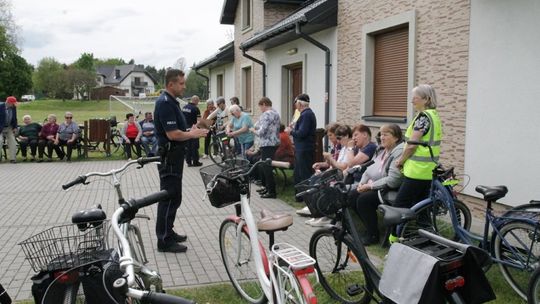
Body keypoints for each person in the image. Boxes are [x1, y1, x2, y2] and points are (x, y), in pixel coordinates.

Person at [153, 69, 208, 253]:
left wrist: (190, 129)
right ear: (171, 84)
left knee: (174, 197)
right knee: (168, 197)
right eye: (182, 83)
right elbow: (173, 134)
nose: (184, 86)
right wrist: (192, 134)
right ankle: (164, 240)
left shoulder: (172, 102)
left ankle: (169, 231)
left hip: (175, 157)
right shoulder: (165, 103)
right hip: (169, 158)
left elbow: (179, 129)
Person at [351, 124, 405, 245]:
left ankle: (373, 235)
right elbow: (369, 168)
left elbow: (393, 180)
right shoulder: (382, 150)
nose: (382, 137)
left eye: (386, 134)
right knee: (352, 195)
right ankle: (369, 228)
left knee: (364, 200)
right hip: (377, 185)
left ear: (396, 138)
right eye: (381, 134)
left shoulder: (399, 152)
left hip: (390, 189)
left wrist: (369, 186)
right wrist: (361, 184)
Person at [394, 84, 442, 209]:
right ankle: (423, 228)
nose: (411, 101)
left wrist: (400, 161)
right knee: (421, 208)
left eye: (415, 98)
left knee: (399, 205)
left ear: (426, 99)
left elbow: (412, 146)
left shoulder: (423, 118)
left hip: (417, 171)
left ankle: (396, 229)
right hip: (428, 170)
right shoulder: (434, 116)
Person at [285, 94, 316, 201]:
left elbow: (302, 133)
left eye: (295, 103)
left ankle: (307, 198)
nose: (295, 106)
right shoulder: (304, 114)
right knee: (298, 173)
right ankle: (300, 196)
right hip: (301, 148)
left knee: (304, 174)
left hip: (304, 148)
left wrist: (290, 131)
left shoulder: (306, 115)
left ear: (299, 103)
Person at [250, 97, 281, 199]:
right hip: (274, 142)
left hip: (267, 144)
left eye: (260, 107)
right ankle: (267, 188)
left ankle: (271, 191)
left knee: (266, 167)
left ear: (264, 104)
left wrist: (253, 130)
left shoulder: (266, 114)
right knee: (266, 166)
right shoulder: (275, 113)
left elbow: (261, 132)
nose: (260, 109)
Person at [182, 95, 202, 167]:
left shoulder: (184, 107)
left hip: (185, 129)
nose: (198, 103)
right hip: (193, 129)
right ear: (196, 100)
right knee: (194, 146)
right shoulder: (196, 109)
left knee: (188, 146)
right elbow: (199, 121)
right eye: (198, 101)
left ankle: (188, 162)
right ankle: (195, 162)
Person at [0, 96, 18, 163]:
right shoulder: (0, 107)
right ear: (9, 102)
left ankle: (12, 159)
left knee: (12, 141)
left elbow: (15, 118)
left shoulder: (13, 108)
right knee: (0, 141)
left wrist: (15, 127)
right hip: (0, 127)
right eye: (13, 103)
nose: (14, 105)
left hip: (9, 127)